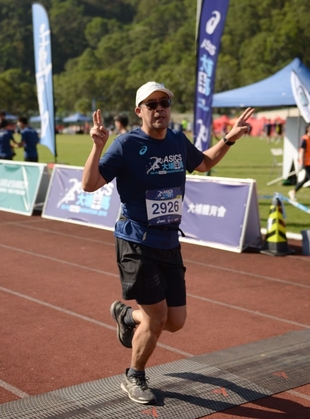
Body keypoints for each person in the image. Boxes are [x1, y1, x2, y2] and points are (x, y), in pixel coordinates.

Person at [82, 81, 254, 405]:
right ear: (139, 111)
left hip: (169, 241)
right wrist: (97, 147)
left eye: (164, 103)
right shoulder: (126, 144)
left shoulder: (176, 140)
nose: (160, 109)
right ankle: (134, 376)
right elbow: (89, 184)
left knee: (175, 322)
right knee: (158, 318)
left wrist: (230, 138)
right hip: (136, 241)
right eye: (152, 104)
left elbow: (204, 163)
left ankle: (127, 317)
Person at [288, 123, 310, 205]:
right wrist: (301, 162)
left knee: (306, 179)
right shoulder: (305, 139)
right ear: (307, 129)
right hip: (305, 163)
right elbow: (302, 151)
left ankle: (293, 191)